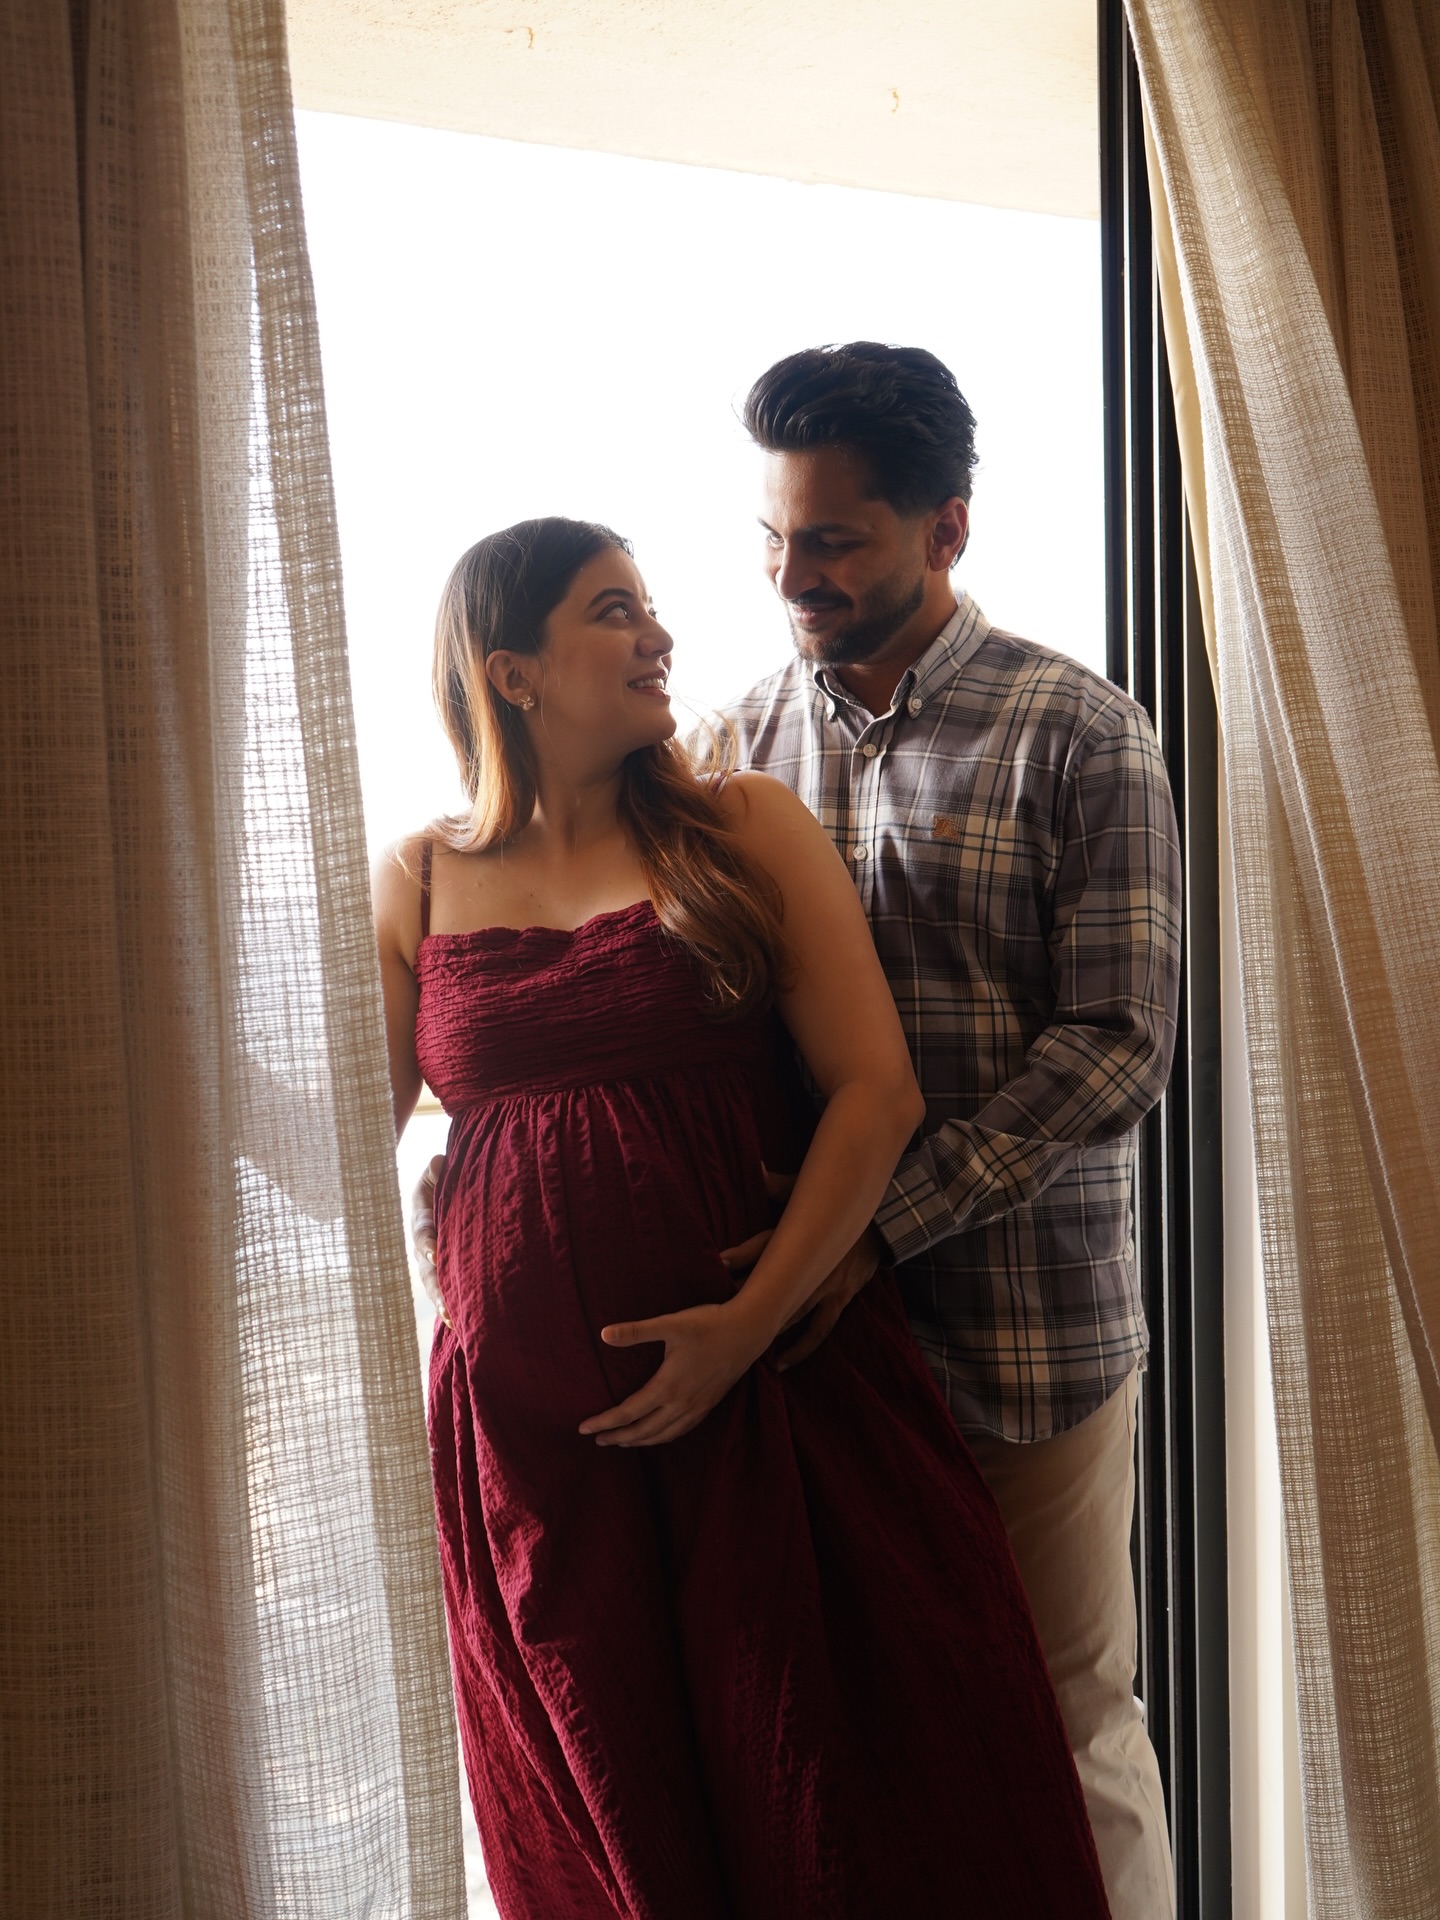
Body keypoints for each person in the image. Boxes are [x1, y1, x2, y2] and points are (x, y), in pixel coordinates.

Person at [375, 515, 1110, 1919]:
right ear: (510, 670)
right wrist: (451, 1241)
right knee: (609, 1814)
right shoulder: (418, 878)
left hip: (776, 1400)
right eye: (614, 611)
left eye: (651, 606)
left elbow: (875, 1092)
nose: (660, 636)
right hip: (538, 1450)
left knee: (838, 1801)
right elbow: (358, 1137)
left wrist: (741, 1331)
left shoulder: (741, 826)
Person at [720, 342, 1183, 1920]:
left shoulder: (1082, 733)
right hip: (808, 1349)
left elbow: (1118, 1046)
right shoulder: (727, 753)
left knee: (1068, 1725)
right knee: (859, 1739)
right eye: (774, 535)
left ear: (947, 530)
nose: (794, 573)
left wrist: (880, 1223)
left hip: (1029, 1343)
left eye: (834, 540)